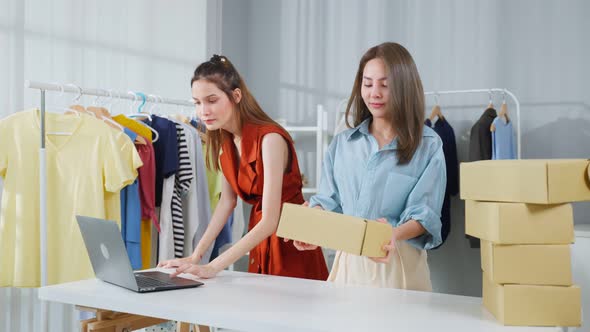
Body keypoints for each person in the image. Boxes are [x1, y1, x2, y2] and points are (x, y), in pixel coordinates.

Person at [158, 55, 328, 280]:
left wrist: (213, 267)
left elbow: (270, 220)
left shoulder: (270, 140)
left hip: (292, 245)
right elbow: (226, 203)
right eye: (197, 103)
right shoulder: (225, 143)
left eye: (211, 100)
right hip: (260, 239)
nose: (203, 111)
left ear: (236, 96)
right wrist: (195, 256)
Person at [292, 42, 446, 290]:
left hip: (399, 267)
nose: (375, 93)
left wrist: (391, 234)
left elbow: (425, 214)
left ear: (404, 87)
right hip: (348, 266)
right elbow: (329, 201)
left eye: (385, 85)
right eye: (368, 83)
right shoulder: (342, 144)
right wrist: (312, 226)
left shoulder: (428, 145)